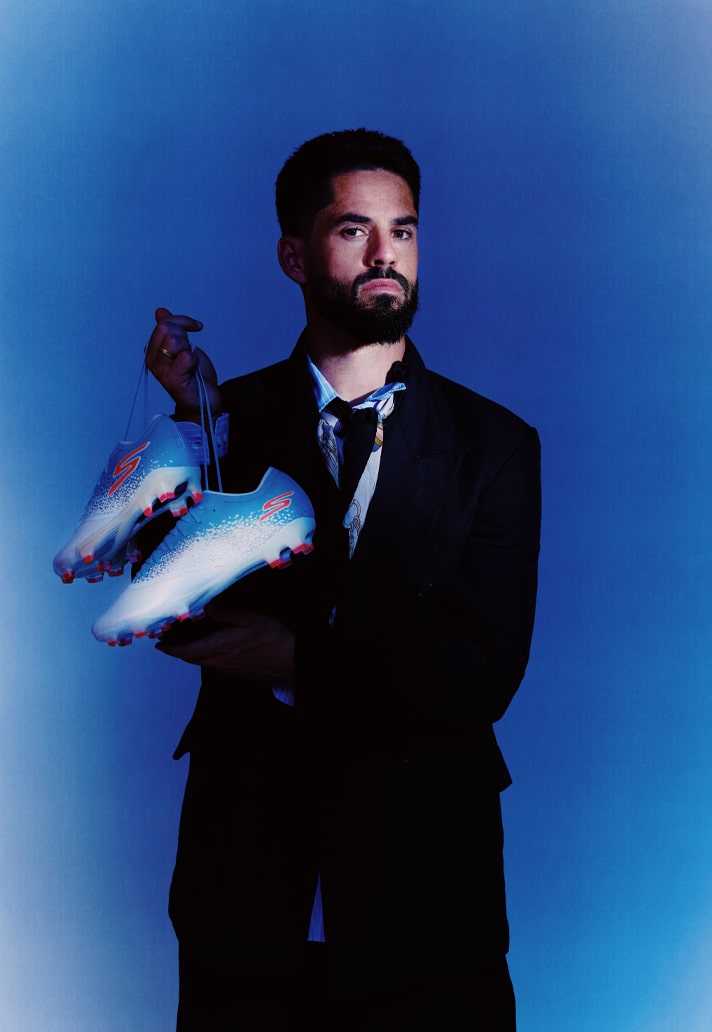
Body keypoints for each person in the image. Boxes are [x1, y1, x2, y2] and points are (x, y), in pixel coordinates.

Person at [143, 128, 541, 1030]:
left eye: (403, 231)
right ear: (294, 256)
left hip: (428, 904)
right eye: (353, 230)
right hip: (246, 898)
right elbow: (166, 601)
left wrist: (297, 661)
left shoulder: (494, 446)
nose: (383, 254)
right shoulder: (226, 416)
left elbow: (480, 673)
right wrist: (193, 424)